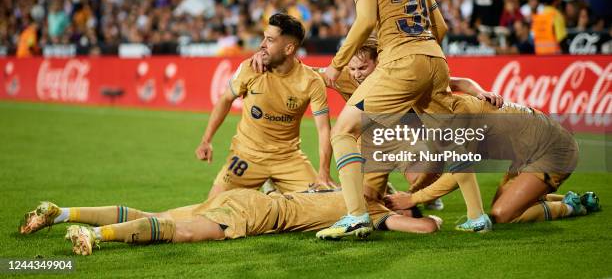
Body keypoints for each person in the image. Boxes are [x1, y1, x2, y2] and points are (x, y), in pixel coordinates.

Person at [318, 0, 489, 239]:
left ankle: (356, 216)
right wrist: (421, 49)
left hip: (401, 62)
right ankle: (477, 215)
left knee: (344, 130)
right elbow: (441, 25)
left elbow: (365, 21)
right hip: (435, 59)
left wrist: (337, 64)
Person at [19, 187, 442, 256]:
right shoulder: (376, 211)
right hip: (257, 213)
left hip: (248, 197)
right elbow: (426, 227)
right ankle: (92, 234)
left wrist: (412, 201)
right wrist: (422, 208)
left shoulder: (353, 189)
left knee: (156, 217)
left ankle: (62, 212)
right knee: (181, 233)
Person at [384, 93, 601, 225]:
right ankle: (572, 198)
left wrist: (413, 200)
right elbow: (435, 166)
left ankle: (573, 207)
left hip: (552, 151)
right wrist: (412, 192)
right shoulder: (437, 114)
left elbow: (459, 174)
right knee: (508, 205)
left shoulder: (451, 121)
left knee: (503, 214)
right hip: (525, 154)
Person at [195, 13, 335, 200]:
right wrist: (206, 139)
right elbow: (225, 99)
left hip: (289, 159)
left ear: (289, 48)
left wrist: (323, 172)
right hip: (247, 155)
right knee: (214, 206)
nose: (261, 44)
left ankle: (272, 190)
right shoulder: (250, 68)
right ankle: (272, 190)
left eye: (269, 40)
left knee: (322, 204)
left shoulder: (311, 82)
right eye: (264, 37)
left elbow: (324, 129)